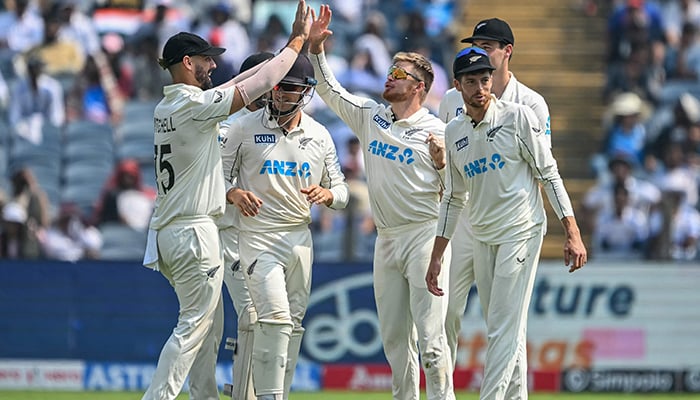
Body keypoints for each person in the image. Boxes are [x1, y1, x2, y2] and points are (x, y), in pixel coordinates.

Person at [140, 2, 312, 399]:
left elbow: (244, 80)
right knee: (193, 327)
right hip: (194, 232)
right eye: (206, 60)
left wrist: (285, 48)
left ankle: (203, 397)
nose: (213, 66)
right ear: (187, 62)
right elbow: (257, 83)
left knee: (205, 327)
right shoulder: (196, 108)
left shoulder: (169, 105)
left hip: (169, 230)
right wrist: (297, 42)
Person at [308, 6, 455, 400]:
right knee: (394, 342)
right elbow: (329, 91)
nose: (389, 78)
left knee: (432, 340)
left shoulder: (437, 131)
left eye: (399, 75)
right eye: (390, 72)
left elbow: (460, 195)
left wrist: (442, 166)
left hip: (425, 237)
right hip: (386, 239)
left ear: (419, 88)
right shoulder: (372, 116)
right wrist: (316, 51)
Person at [426, 47, 588, 399]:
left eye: (485, 80)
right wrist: (438, 254)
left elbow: (549, 173)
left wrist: (572, 232)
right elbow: (454, 198)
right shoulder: (454, 132)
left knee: (501, 327)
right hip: (484, 236)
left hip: (521, 229)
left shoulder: (518, 118)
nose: (481, 88)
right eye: (471, 82)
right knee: (503, 326)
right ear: (457, 86)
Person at [220, 52, 348, 400]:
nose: (279, 94)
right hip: (258, 235)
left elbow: (342, 189)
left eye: (289, 88)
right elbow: (217, 177)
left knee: (292, 327)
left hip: (300, 239)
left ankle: (278, 394)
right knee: (273, 320)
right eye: (277, 87)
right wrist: (232, 192)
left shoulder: (320, 135)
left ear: (305, 92)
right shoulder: (243, 128)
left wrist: (328, 194)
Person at [436, 17, 552, 370]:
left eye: (487, 46)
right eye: (474, 46)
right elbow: (452, 170)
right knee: (444, 314)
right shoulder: (451, 102)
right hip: (465, 222)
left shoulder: (530, 104)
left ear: (507, 52)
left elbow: (542, 169)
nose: (478, 52)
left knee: (504, 324)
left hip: (509, 220)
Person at [217, 51, 274, 400]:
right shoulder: (229, 124)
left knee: (258, 317)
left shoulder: (274, 126)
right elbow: (206, 178)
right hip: (224, 234)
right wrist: (232, 192)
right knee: (251, 316)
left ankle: (243, 387)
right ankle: (242, 392)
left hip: (258, 236)